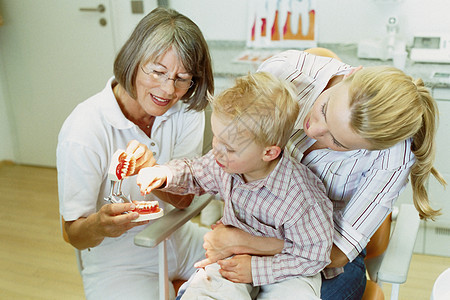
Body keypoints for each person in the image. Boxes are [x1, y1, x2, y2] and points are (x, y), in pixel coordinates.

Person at [189, 49, 447, 300]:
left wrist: (243, 242)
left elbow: (337, 253)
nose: (314, 131)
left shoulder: (393, 155)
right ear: (350, 74)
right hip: (250, 226)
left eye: (337, 142)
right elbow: (236, 146)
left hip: (324, 258)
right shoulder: (288, 72)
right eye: (324, 109)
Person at [56, 8, 214, 299]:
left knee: (252, 277)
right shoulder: (84, 128)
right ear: (133, 61)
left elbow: (185, 200)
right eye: (158, 71)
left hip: (176, 234)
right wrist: (100, 225)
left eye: (182, 77)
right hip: (118, 261)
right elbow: (73, 235)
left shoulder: (188, 108)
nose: (168, 90)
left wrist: (156, 173)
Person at [136, 72, 334, 300]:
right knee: (205, 292)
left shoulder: (301, 196)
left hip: (288, 269)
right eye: (216, 138)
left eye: (229, 148)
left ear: (269, 152)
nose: (217, 151)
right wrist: (165, 173)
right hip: (230, 256)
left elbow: (314, 255)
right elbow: (194, 173)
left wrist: (256, 269)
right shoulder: (223, 163)